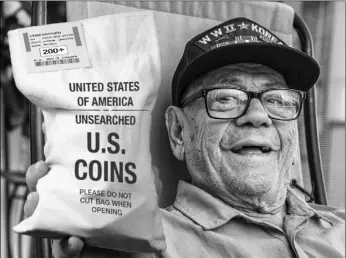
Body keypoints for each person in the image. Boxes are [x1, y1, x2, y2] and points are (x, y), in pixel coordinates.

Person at [23, 17, 345, 258]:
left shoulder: (338, 224)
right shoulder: (148, 241)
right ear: (179, 132)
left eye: (277, 100)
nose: (258, 116)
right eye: (226, 97)